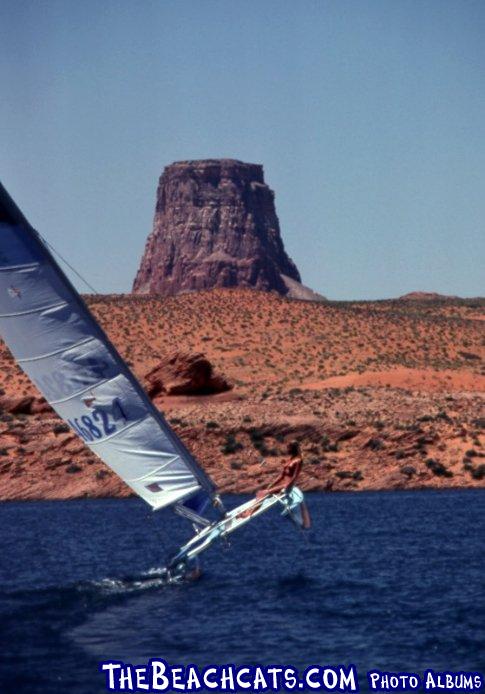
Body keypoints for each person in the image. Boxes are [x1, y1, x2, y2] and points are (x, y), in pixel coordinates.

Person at [240, 441, 303, 518]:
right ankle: (249, 511)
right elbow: (282, 475)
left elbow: (294, 477)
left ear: (293, 448)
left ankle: (249, 513)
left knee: (263, 493)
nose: (287, 449)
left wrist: (287, 487)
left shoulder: (298, 461)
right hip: (280, 484)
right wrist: (272, 484)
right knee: (260, 493)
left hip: (286, 486)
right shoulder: (290, 459)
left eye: (288, 447)